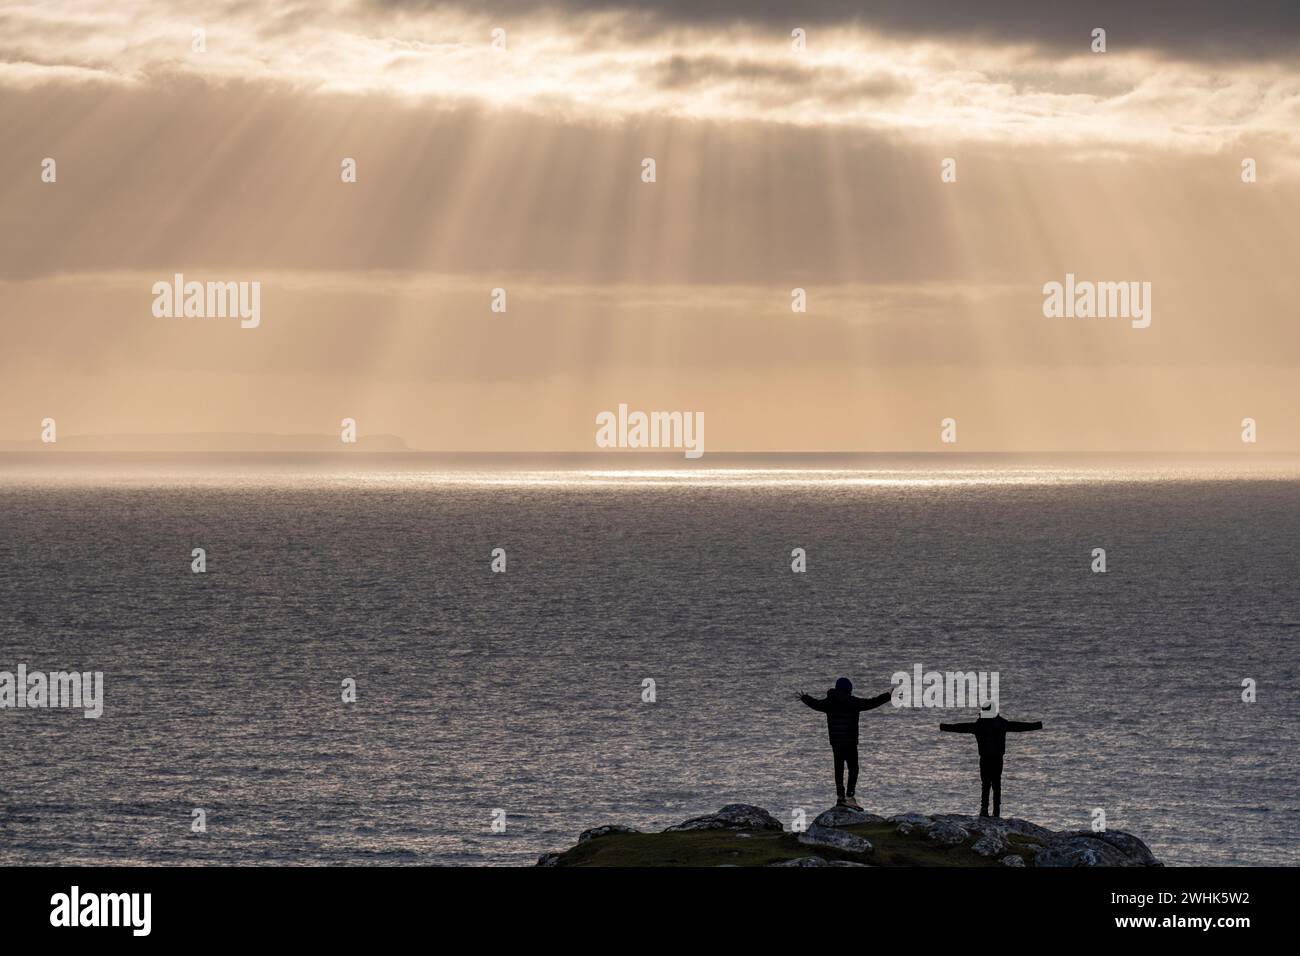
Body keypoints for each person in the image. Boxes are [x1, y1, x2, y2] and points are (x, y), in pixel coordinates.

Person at [796, 677, 894, 810]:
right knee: (853, 769)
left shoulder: (829, 702)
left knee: (839, 769)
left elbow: (816, 704)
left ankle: (840, 797)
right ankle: (850, 796)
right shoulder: (853, 702)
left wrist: (805, 698)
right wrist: (888, 696)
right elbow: (872, 703)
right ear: (849, 689)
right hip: (850, 742)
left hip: (836, 743)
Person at [939, 704, 1043, 817]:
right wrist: (1037, 725)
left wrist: (944, 727)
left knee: (986, 784)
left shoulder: (979, 725)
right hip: (998, 758)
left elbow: (959, 728)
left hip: (985, 758)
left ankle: (984, 809)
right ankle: (996, 811)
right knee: (996, 784)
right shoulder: (1002, 724)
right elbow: (1019, 726)